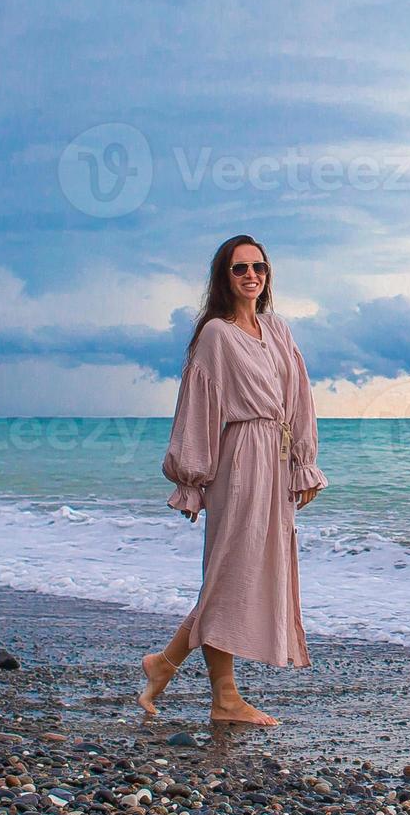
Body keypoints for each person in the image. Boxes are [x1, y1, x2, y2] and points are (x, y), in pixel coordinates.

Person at [140, 234, 327, 726]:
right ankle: (219, 695)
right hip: (240, 460)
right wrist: (190, 480)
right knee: (227, 578)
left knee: (247, 576)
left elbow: (300, 397)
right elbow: (198, 409)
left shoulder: (278, 329)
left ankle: (168, 667)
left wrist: (303, 463)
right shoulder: (216, 335)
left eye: (259, 268)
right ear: (223, 277)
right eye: (239, 268)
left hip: (278, 456)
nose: (251, 276)